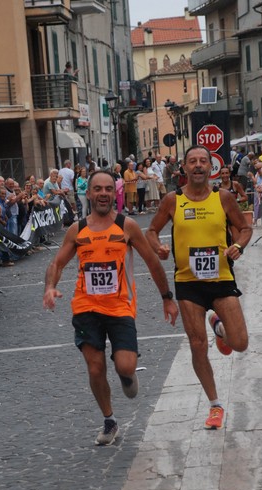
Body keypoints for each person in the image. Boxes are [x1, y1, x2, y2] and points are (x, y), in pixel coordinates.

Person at [43, 170, 178, 446]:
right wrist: (49, 287)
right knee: (95, 368)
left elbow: (152, 262)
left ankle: (126, 375)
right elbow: (56, 263)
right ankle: (109, 420)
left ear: (112, 193)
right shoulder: (77, 230)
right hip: (86, 307)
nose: (103, 194)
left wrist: (166, 297)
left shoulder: (126, 226)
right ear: (89, 194)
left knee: (126, 366)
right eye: (97, 189)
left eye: (108, 189)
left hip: (120, 307)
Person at [146, 145, 252, 431]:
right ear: (184, 167)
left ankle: (219, 327)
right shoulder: (173, 200)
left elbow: (245, 229)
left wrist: (238, 246)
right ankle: (215, 405)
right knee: (197, 344)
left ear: (211, 167)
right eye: (192, 161)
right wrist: (159, 247)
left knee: (240, 342)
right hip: (188, 282)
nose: (198, 166)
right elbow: (151, 231)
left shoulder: (224, 197)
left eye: (203, 161)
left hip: (220, 280)